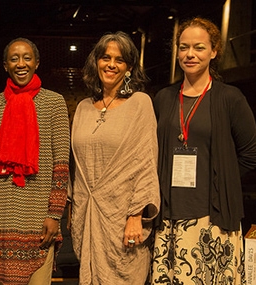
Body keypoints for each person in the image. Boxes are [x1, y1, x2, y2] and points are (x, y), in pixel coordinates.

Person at [150, 17, 256, 285]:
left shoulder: (229, 98)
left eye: (199, 47)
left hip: (213, 217)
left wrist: (220, 182)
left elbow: (252, 155)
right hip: (168, 218)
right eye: (183, 47)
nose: (190, 54)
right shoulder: (163, 98)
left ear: (213, 52)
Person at [0, 37, 70, 285]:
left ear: (36, 62)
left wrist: (54, 214)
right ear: (5, 65)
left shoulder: (54, 103)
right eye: (14, 59)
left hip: (37, 216)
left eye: (27, 57)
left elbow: (61, 165)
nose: (21, 63)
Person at [69, 31, 160, 284]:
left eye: (119, 60)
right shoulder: (84, 108)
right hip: (88, 217)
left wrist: (135, 215)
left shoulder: (140, 103)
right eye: (105, 57)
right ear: (95, 61)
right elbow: (76, 168)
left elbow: (146, 160)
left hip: (122, 220)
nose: (111, 64)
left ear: (129, 67)